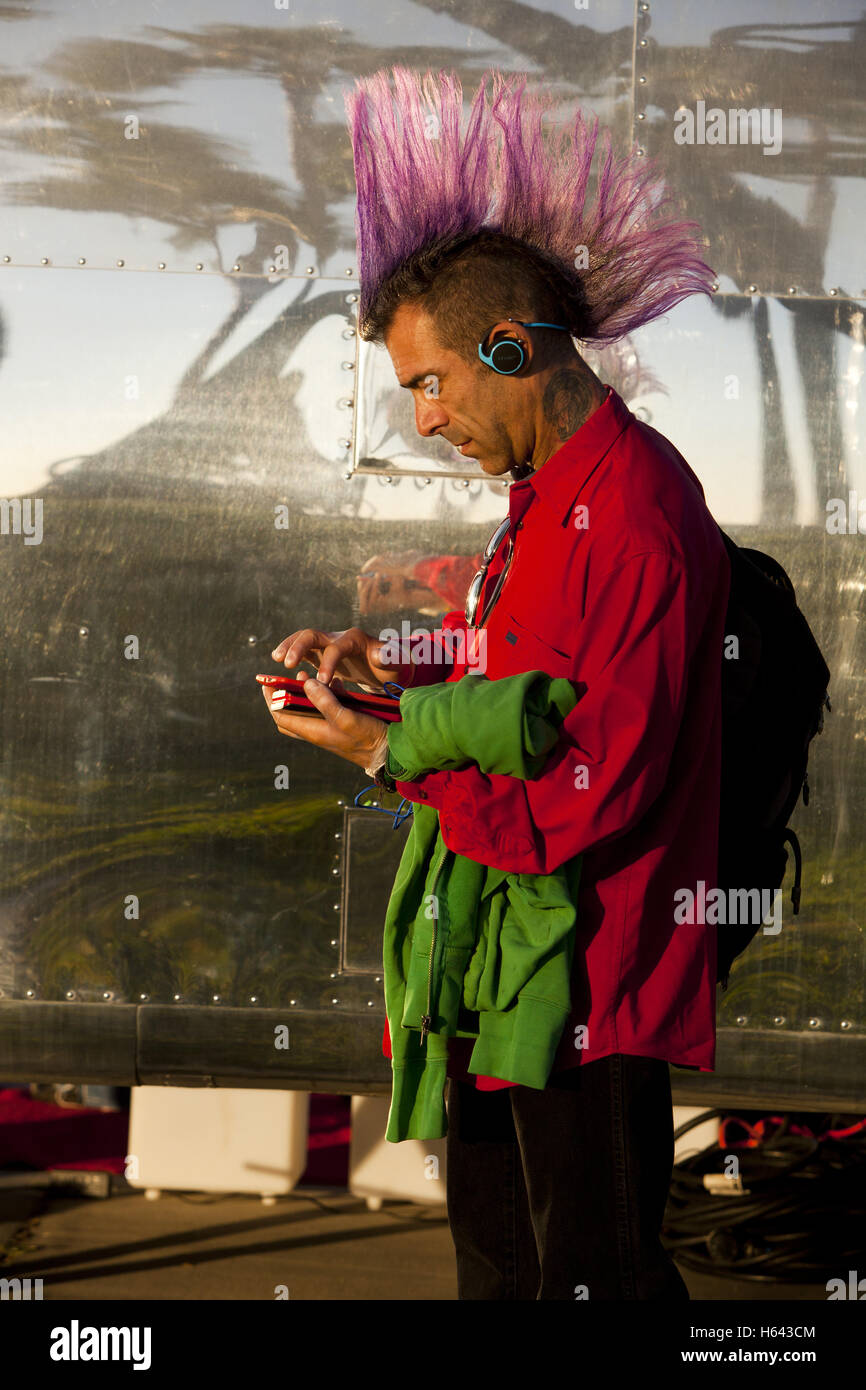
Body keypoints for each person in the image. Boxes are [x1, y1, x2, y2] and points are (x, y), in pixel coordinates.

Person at [259, 68, 731, 1300]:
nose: (420, 422)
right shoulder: (542, 503)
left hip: (587, 983)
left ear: (513, 346)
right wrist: (380, 685)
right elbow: (512, 684)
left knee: (588, 1277)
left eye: (430, 382)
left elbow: (585, 795)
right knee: (497, 1266)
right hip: (501, 962)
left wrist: (381, 760)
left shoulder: (633, 518)